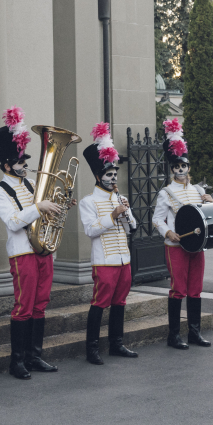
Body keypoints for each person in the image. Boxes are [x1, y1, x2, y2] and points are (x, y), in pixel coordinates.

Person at [0, 106, 63, 379]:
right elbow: (13, 222)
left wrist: (58, 204)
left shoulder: (32, 183)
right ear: (7, 165)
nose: (24, 166)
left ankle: (35, 357)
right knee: (23, 306)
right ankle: (16, 362)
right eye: (19, 163)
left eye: (24, 161)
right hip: (22, 253)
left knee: (40, 303)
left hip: (43, 249)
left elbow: (43, 207)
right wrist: (40, 206)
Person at [152, 117, 213, 350]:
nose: (181, 170)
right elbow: (156, 219)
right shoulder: (166, 193)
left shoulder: (198, 190)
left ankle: (195, 333)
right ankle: (174, 335)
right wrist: (168, 232)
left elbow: (205, 217)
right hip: (176, 247)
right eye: (177, 167)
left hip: (196, 246)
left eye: (184, 166)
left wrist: (209, 201)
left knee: (196, 289)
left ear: (189, 167)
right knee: (178, 289)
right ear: (172, 169)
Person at [78, 123, 138, 364]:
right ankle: (91, 349)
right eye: (108, 175)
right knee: (99, 303)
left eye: (115, 174)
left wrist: (125, 214)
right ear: (97, 176)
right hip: (104, 261)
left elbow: (131, 228)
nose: (113, 178)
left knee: (120, 302)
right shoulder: (88, 201)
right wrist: (112, 215)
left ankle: (117, 344)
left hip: (123, 259)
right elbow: (91, 230)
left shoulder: (119, 198)